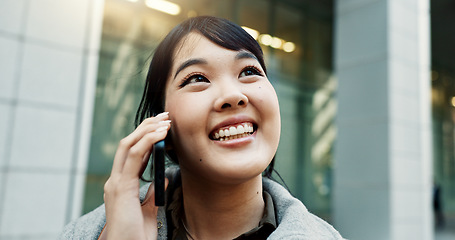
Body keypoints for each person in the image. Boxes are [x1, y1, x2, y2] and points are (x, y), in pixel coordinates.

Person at [60, 16, 343, 239]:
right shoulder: (87, 234)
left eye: (249, 71)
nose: (233, 95)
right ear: (163, 128)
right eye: (197, 78)